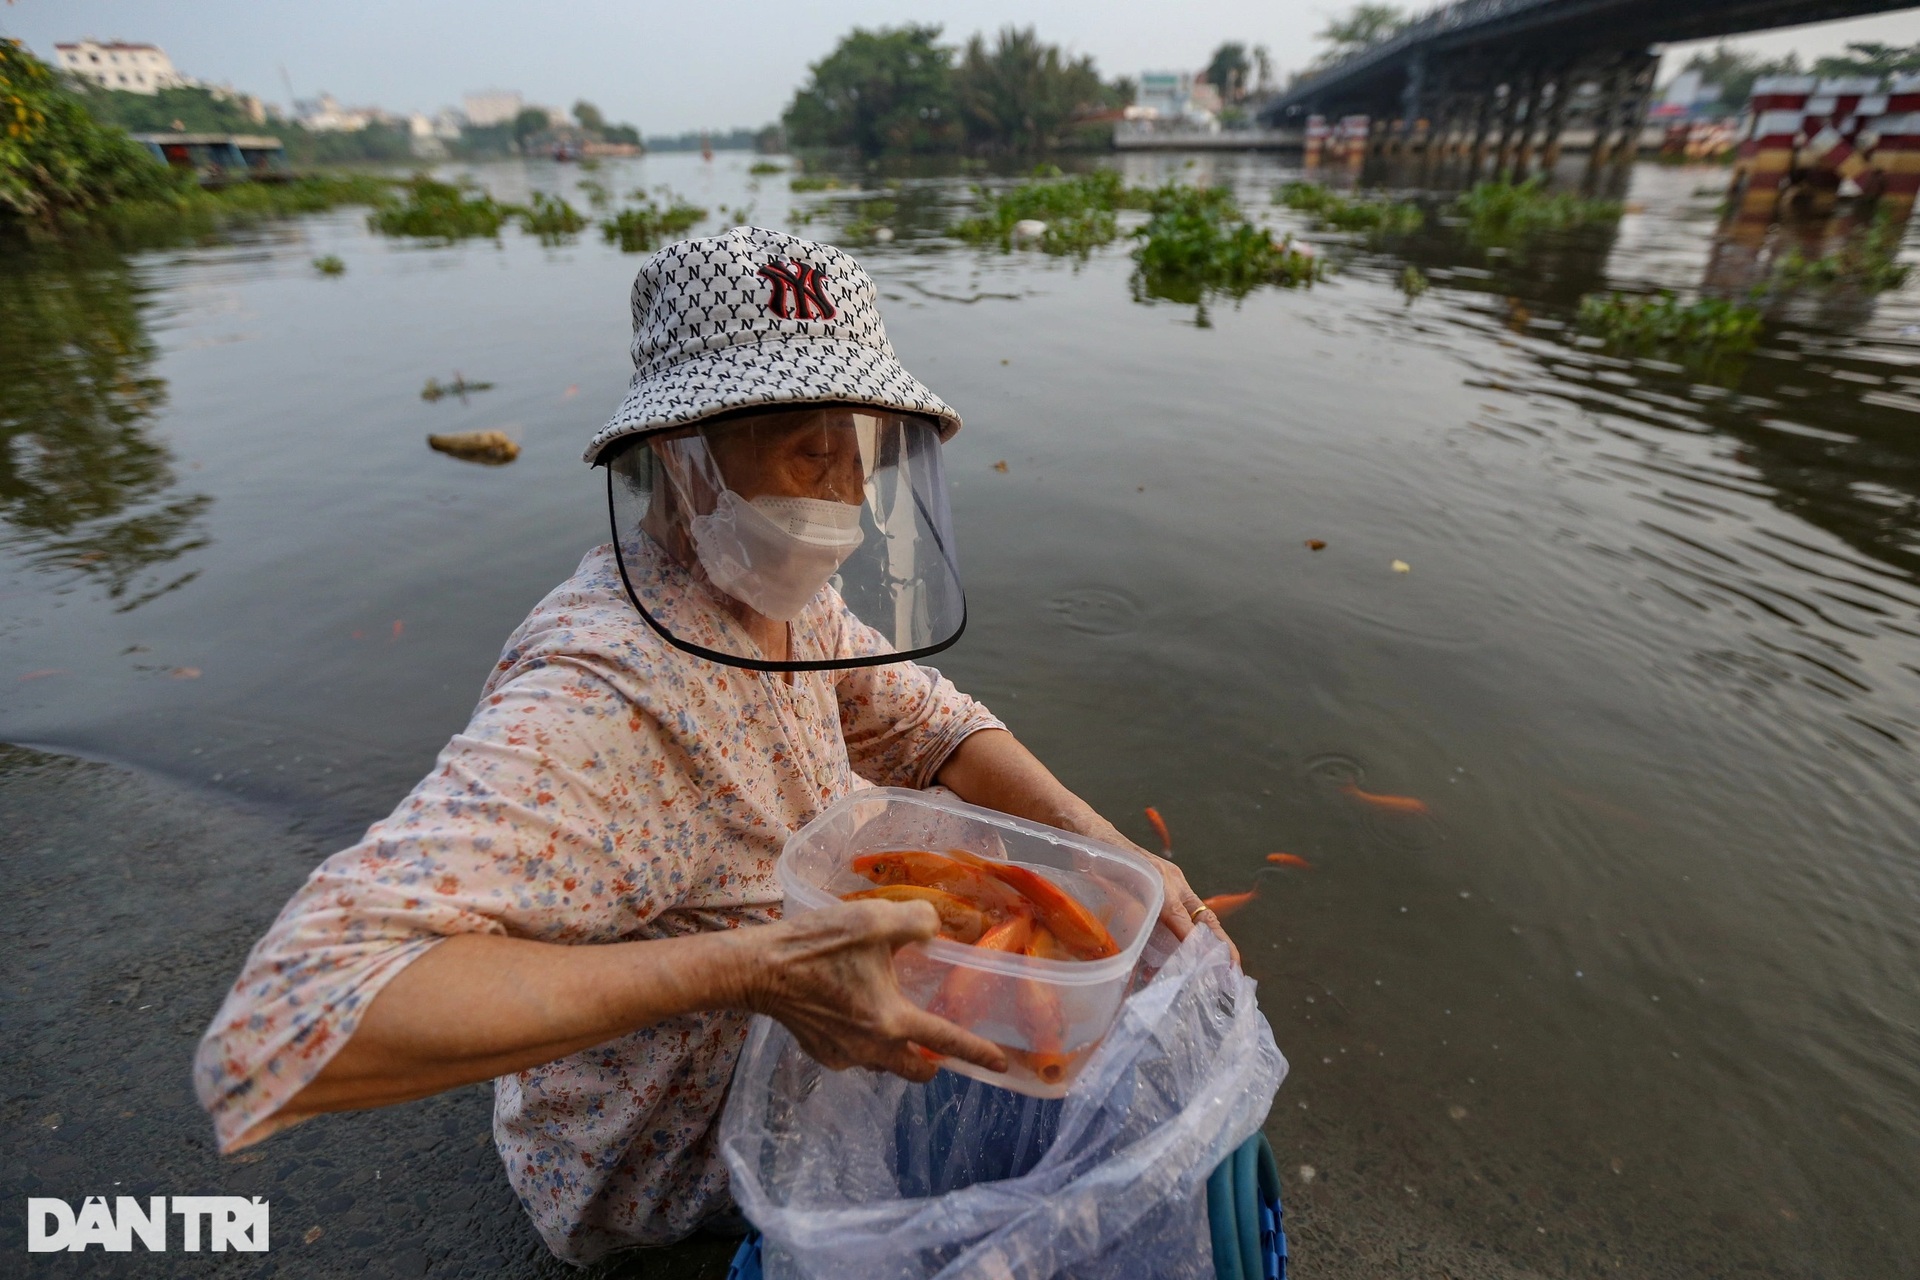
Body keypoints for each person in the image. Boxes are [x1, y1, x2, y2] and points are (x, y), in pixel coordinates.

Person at [196, 227, 1233, 1264]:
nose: (841, 501)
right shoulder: (605, 696)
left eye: (855, 449)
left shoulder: (785, 602)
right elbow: (300, 1015)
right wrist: (761, 968)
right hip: (665, 1160)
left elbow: (934, 725)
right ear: (681, 459)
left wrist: (1112, 851)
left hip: (794, 1059)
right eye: (802, 451)